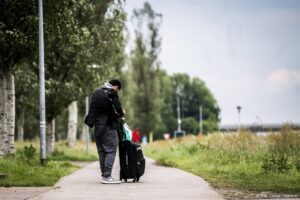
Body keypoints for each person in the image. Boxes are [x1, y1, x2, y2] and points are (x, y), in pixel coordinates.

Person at [85, 79, 124, 184]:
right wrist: (122, 112)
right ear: (116, 87)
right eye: (118, 90)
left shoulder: (97, 92)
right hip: (107, 125)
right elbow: (118, 110)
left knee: (102, 151)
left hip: (97, 126)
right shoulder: (112, 92)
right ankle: (107, 176)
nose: (117, 92)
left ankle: (104, 175)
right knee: (111, 149)